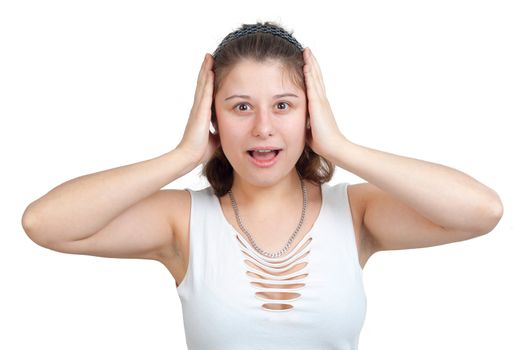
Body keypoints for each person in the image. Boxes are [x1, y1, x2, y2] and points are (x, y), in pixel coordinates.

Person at [21, 21, 504, 350]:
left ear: (309, 113)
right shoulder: (183, 221)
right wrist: (183, 155)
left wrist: (340, 145)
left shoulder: (356, 213)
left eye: (283, 105)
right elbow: (44, 223)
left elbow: (481, 210)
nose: (263, 128)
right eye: (240, 106)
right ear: (213, 118)